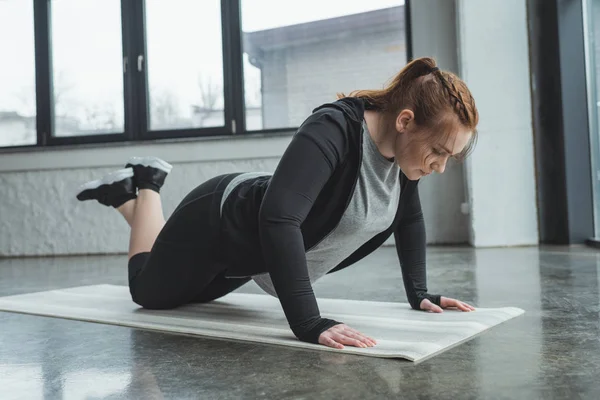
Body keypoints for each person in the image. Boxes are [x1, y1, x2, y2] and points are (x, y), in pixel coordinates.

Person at [76, 57, 479, 351]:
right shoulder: (335, 128)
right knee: (147, 293)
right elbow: (279, 218)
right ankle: (147, 182)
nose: (441, 167)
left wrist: (420, 293)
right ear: (405, 121)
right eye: (438, 152)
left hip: (251, 256)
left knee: (190, 295)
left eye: (450, 157)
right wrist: (308, 323)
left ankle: (123, 197)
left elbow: (408, 219)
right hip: (218, 221)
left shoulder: (405, 161)